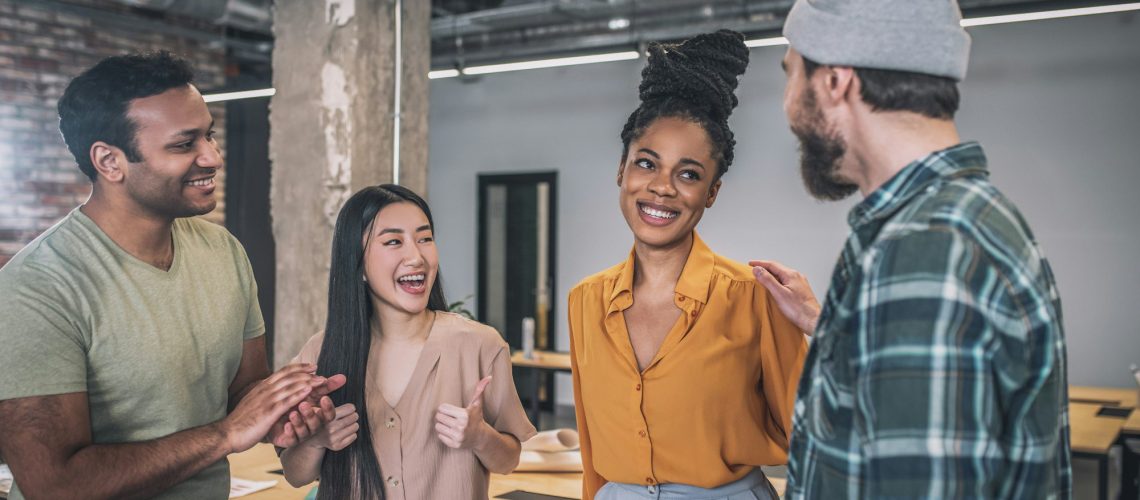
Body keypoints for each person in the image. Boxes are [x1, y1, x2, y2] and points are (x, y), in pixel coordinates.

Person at [749, 1, 1072, 497]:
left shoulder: (924, 254)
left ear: (836, 81)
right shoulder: (969, 218)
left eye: (791, 75)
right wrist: (832, 326)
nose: (789, 106)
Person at [0, 51, 344, 499]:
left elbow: (244, 392)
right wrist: (223, 435)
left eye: (210, 136)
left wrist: (283, 408)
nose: (212, 157)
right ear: (109, 161)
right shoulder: (38, 288)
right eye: (184, 145)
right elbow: (55, 485)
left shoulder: (223, 252)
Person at [568, 30, 809, 500]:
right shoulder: (585, 301)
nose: (662, 187)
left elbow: (812, 436)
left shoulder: (756, 296)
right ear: (622, 170)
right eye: (646, 164)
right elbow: (593, 448)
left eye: (688, 174)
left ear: (711, 192)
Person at [281, 184, 536, 500]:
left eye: (425, 238)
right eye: (393, 242)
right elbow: (294, 474)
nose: (416, 256)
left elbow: (509, 460)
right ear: (357, 264)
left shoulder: (481, 345)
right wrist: (317, 440)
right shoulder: (319, 353)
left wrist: (480, 437)